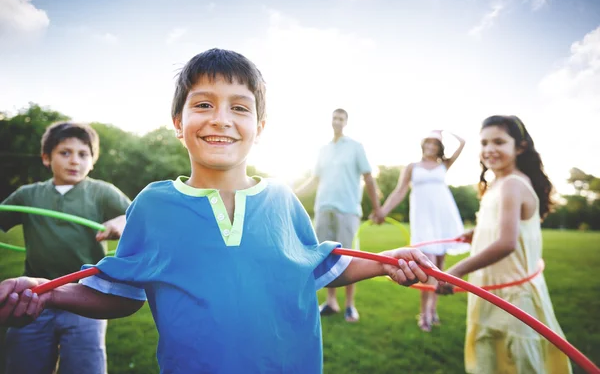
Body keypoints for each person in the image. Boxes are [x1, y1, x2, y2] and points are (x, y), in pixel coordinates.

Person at [0, 49, 435, 374]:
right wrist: (46, 291)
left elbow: (319, 265)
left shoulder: (282, 199)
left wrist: (386, 262)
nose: (221, 118)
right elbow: (119, 293)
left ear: (258, 129)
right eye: (203, 104)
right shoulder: (153, 205)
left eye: (239, 107)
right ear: (178, 122)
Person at [436, 115, 572, 374]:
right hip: (492, 289)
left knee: (518, 361)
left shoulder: (512, 184)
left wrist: (456, 271)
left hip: (513, 296)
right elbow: (504, 224)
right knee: (494, 358)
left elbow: (507, 243)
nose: (489, 149)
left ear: (519, 147)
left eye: (499, 142)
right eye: (484, 143)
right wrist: (475, 233)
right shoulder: (498, 183)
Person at [0, 121, 131, 374]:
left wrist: (121, 221)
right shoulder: (28, 195)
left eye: (83, 154)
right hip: (34, 296)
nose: (74, 161)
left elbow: (138, 218)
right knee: (23, 363)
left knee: (85, 366)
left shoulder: (102, 192)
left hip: (87, 298)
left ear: (92, 161)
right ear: (46, 158)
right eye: (65, 153)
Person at [372, 129, 466, 332]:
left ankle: (433, 311)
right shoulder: (412, 167)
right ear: (423, 144)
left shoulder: (444, 165)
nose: (431, 146)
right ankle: (424, 314)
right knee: (428, 266)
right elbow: (399, 191)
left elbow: (462, 143)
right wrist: (382, 211)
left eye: (435, 144)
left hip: (443, 216)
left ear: (439, 147)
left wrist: (448, 131)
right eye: (428, 143)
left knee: (440, 268)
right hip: (423, 220)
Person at [295, 108, 382, 323]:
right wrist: (291, 194)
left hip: (348, 210)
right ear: (331, 120)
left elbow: (369, 178)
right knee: (325, 257)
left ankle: (350, 306)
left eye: (341, 118)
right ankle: (331, 302)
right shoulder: (323, 149)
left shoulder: (355, 147)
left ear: (346, 122)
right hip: (324, 208)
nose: (337, 121)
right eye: (335, 117)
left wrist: (378, 208)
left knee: (349, 258)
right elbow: (314, 180)